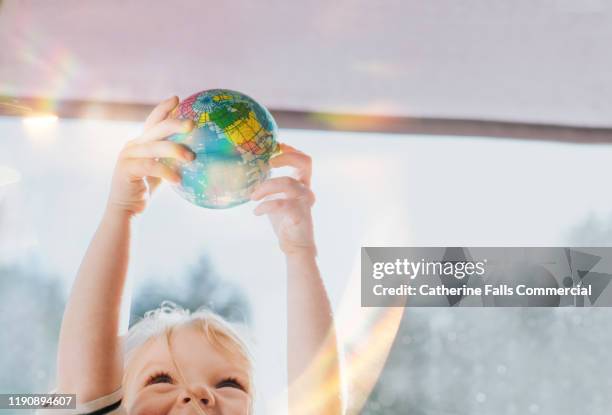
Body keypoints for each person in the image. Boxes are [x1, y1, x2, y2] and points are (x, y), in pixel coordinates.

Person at [47, 96, 343, 415]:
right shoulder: (88, 395)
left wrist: (300, 253)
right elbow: (82, 389)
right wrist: (120, 211)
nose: (197, 393)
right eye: (159, 379)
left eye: (231, 384)